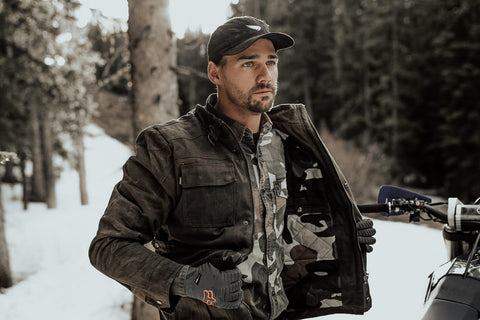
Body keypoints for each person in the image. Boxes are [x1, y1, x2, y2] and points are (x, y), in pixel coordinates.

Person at [89, 16, 376, 320]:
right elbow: (109, 246)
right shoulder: (171, 147)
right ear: (215, 72)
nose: (265, 75)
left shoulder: (289, 142)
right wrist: (186, 281)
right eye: (248, 63)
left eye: (271, 61)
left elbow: (279, 232)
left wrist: (342, 231)